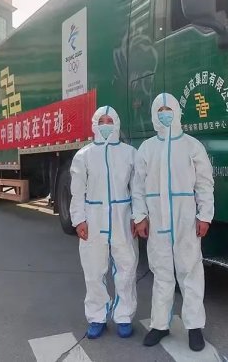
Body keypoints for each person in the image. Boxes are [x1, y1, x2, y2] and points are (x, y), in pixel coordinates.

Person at [132, 93, 214, 352]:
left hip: (185, 219)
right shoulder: (147, 148)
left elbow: (204, 183)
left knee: (190, 271)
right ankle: (159, 324)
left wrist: (204, 216)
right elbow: (137, 186)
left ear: (177, 112)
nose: (165, 114)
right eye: (160, 110)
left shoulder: (191, 146)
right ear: (154, 114)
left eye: (169, 109)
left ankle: (194, 327)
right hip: (157, 220)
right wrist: (140, 217)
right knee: (162, 272)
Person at [70, 106, 138, 339]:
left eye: (110, 120)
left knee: (126, 268)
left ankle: (124, 316)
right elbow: (77, 192)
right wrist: (79, 219)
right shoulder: (84, 155)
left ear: (117, 123)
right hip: (94, 218)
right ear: (95, 124)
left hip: (122, 217)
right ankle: (97, 316)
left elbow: (137, 189)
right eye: (102, 121)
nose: (106, 125)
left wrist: (137, 216)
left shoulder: (130, 154)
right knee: (93, 270)